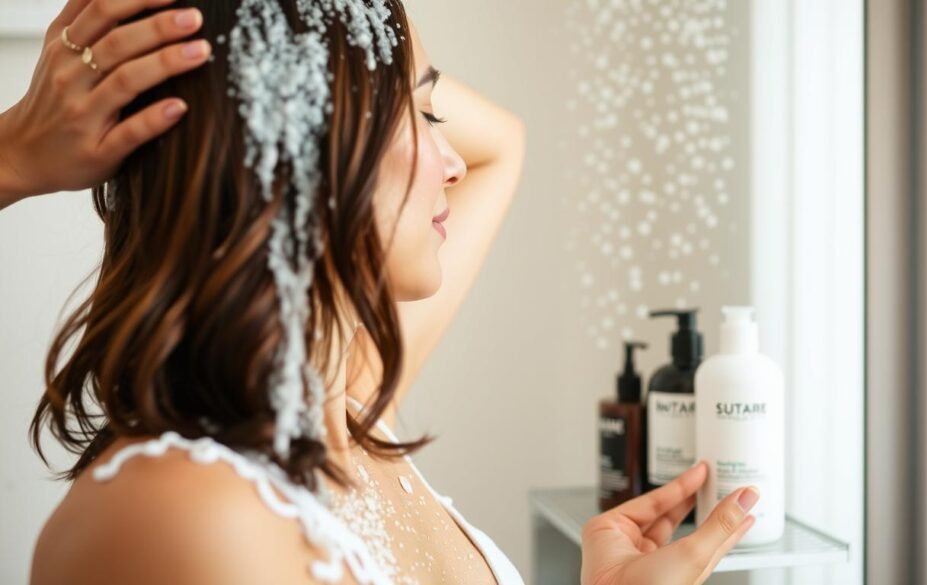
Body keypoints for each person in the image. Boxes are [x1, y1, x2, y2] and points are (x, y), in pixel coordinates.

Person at [5, 1, 758, 583]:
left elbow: (504, 144)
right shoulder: (181, 516)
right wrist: (15, 150)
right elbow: (499, 147)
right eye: (425, 110)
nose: (454, 161)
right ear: (302, 138)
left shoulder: (351, 409)